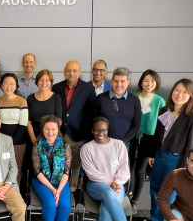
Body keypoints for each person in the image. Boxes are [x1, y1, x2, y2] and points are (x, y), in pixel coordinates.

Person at [143, 78, 193, 221]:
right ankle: (154, 216)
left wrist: (183, 166)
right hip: (160, 155)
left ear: (190, 96)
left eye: (184, 92)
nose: (179, 94)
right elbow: (157, 135)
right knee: (154, 187)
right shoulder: (165, 110)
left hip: (174, 159)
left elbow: (190, 143)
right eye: (177, 90)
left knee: (167, 193)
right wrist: (152, 154)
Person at [80, 117, 143, 221]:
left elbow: (125, 169)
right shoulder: (86, 148)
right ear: (92, 131)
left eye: (103, 130)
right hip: (96, 186)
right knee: (108, 193)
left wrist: (118, 182)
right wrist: (111, 182)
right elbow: (91, 173)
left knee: (106, 209)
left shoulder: (119, 145)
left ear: (108, 130)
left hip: (118, 186)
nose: (100, 133)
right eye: (96, 130)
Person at [53, 60, 95, 190]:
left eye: (74, 70)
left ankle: (73, 191)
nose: (71, 73)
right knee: (60, 164)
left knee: (76, 165)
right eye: (69, 70)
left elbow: (92, 111)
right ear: (65, 72)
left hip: (79, 133)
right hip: (61, 133)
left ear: (80, 72)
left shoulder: (88, 88)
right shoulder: (57, 87)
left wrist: (88, 132)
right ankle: (59, 189)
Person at [31, 115, 71, 221]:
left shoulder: (65, 146)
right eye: (47, 129)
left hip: (61, 182)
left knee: (65, 205)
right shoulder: (37, 146)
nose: (50, 132)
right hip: (42, 181)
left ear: (58, 129)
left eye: (53, 129)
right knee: (50, 203)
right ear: (42, 130)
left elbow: (67, 171)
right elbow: (37, 171)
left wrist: (59, 190)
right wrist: (53, 190)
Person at [129, 70, 166, 206]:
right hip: (133, 137)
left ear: (156, 83)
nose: (148, 83)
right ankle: (128, 195)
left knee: (140, 170)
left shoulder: (160, 101)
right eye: (146, 80)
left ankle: (135, 201)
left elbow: (162, 127)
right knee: (129, 168)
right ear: (141, 82)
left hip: (150, 140)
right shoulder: (134, 97)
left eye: (152, 80)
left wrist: (156, 150)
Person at [94, 67, 141, 145]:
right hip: (102, 143)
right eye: (116, 81)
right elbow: (94, 122)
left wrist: (123, 142)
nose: (119, 84)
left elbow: (136, 126)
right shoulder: (100, 98)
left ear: (128, 82)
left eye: (122, 81)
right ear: (112, 82)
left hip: (125, 145)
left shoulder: (135, 100)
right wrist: (103, 139)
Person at [0, 73, 28, 183]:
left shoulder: (22, 101)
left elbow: (23, 124)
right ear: (1, 85)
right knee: (3, 166)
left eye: (12, 84)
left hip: (18, 142)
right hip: (1, 141)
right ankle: (4, 192)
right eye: (5, 83)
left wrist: (12, 142)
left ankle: (15, 191)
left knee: (16, 167)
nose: (8, 86)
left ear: (16, 86)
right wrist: (3, 141)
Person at [27, 69, 63, 147]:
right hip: (34, 137)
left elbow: (59, 120)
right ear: (37, 82)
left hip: (51, 137)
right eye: (41, 80)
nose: (44, 83)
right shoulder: (30, 98)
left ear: (51, 83)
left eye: (47, 80)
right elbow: (28, 122)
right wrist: (34, 140)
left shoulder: (56, 98)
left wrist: (50, 138)